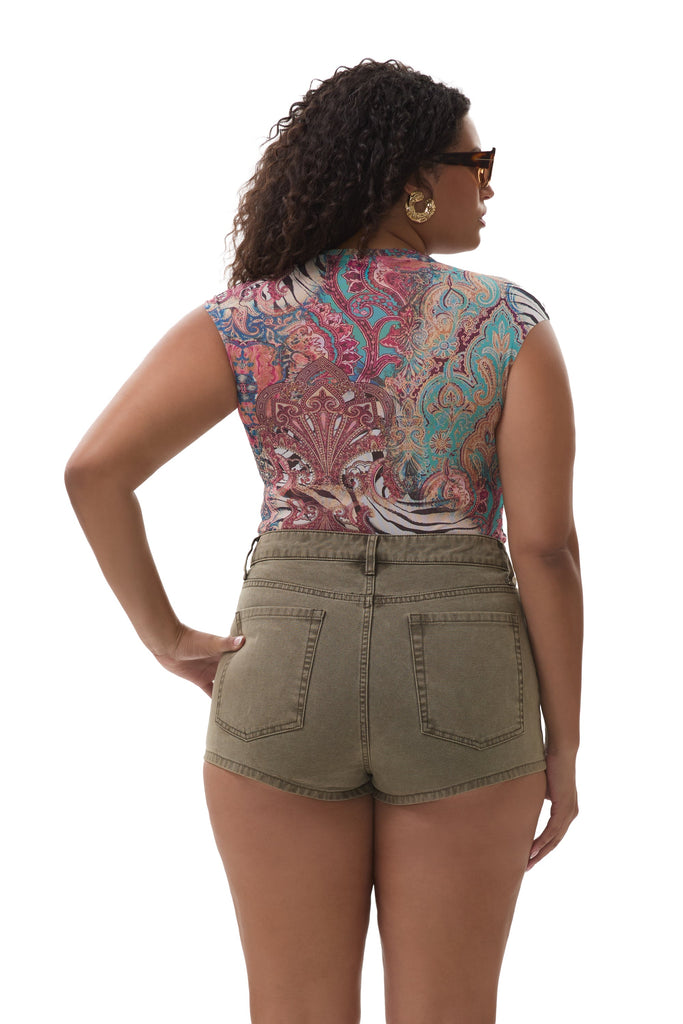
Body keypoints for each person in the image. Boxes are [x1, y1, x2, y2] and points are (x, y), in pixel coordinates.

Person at [64, 58, 582, 1024]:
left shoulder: (246, 319)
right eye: (477, 164)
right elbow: (545, 548)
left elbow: (94, 471)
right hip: (466, 659)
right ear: (412, 179)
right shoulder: (506, 322)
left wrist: (167, 639)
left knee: (293, 1008)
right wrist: (566, 741)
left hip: (284, 653)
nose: (488, 185)